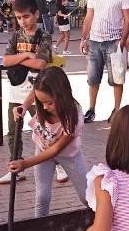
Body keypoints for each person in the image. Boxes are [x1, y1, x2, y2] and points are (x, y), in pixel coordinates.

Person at [9, 67, 88, 217]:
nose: (44, 107)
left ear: (62, 95)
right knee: (42, 196)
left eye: (49, 103)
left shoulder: (74, 116)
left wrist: (25, 164)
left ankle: (101, 222)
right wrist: (23, 106)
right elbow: (36, 91)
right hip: (43, 149)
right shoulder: (42, 99)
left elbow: (56, 149)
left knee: (86, 196)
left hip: (69, 155)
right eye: (41, 102)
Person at [0, 0, 53, 185]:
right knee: (13, 131)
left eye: (27, 17)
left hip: (39, 92)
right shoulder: (15, 36)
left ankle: (58, 162)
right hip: (17, 90)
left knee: (45, 128)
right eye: (19, 18)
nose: (23, 21)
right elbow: (5, 61)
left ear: (36, 14)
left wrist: (19, 57)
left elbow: (40, 63)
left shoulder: (44, 36)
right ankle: (16, 166)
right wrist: (27, 54)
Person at [80, 0, 129, 123]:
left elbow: (128, 18)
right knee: (93, 78)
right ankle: (91, 109)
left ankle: (117, 109)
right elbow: (89, 16)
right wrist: (84, 38)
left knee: (117, 78)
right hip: (94, 41)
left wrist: (122, 40)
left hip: (114, 42)